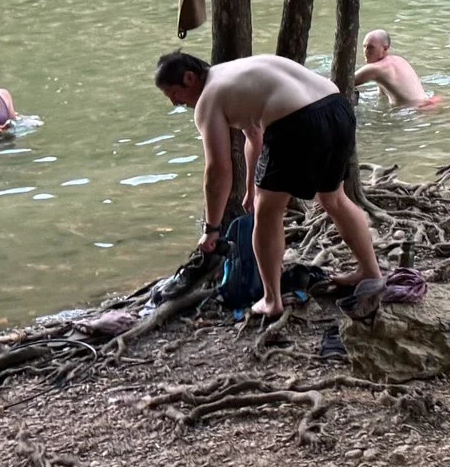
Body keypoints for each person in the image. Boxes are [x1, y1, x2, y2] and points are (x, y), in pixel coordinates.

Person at [153, 51, 380, 325]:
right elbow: (253, 134)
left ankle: (272, 300)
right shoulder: (233, 74)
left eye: (173, 94)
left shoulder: (208, 100)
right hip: (337, 108)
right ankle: (371, 273)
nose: (175, 102)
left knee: (268, 212)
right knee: (334, 198)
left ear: (189, 78)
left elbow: (218, 170)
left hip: (297, 122)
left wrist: (212, 228)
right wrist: (251, 187)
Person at [350, 30, 440, 110]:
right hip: (428, 103)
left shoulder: (376, 69)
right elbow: (382, 96)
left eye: (371, 47)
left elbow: (346, 81)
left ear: (385, 48)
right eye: (364, 46)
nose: (366, 51)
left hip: (415, 111)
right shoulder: (398, 60)